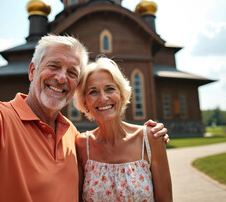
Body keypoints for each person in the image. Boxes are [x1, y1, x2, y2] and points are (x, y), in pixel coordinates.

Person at [0, 35, 169, 201]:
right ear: (33, 70)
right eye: (54, 66)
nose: (61, 78)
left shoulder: (72, 138)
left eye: (71, 72)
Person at [74, 57, 173, 202]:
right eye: (93, 92)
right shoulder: (82, 145)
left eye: (110, 89)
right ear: (85, 102)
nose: (103, 98)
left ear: (121, 94)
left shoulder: (151, 139)